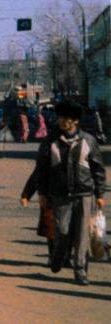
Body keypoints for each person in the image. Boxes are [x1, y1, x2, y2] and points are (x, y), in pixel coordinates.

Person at [31, 100, 106, 285]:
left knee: (82, 235)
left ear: (75, 122)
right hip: (60, 195)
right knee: (62, 231)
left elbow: (98, 169)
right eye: (60, 118)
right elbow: (41, 169)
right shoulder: (50, 142)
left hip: (84, 194)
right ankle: (58, 257)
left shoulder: (88, 141)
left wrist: (100, 194)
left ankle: (80, 272)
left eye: (66, 119)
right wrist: (41, 193)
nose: (62, 122)